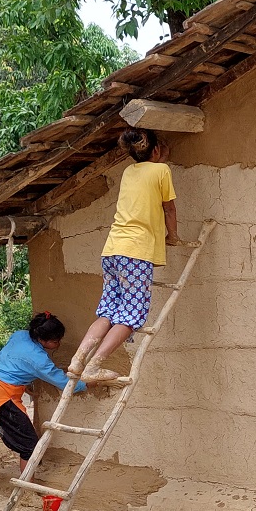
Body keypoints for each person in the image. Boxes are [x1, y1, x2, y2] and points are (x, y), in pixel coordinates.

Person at [69, 129, 180, 383]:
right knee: (131, 315)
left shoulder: (129, 172)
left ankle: (78, 361)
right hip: (136, 253)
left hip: (112, 251)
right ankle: (94, 366)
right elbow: (169, 208)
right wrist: (172, 236)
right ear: (155, 151)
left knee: (108, 312)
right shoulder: (162, 170)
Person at [0, 312, 89, 501]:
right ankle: (27, 494)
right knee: (30, 447)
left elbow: (11, 361)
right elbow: (65, 383)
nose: (58, 344)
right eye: (56, 341)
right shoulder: (39, 360)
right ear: (42, 339)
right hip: (2, 398)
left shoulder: (20, 335)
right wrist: (88, 384)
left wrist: (23, 386)